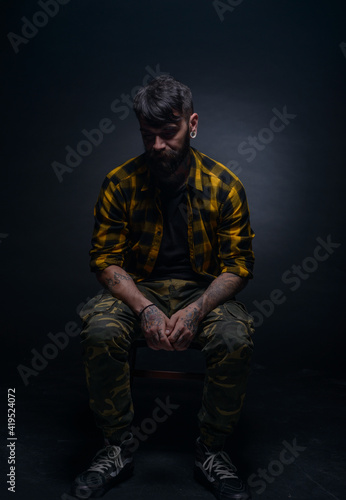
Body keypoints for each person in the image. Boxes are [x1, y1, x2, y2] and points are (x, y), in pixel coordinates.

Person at [71, 75, 255, 500]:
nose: (157, 146)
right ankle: (116, 447)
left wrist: (195, 311)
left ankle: (212, 450)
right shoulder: (119, 182)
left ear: (192, 124)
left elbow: (239, 266)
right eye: (147, 135)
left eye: (168, 133)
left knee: (234, 336)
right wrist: (144, 308)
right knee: (99, 330)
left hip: (203, 292)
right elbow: (105, 260)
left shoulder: (225, 185)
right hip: (137, 290)